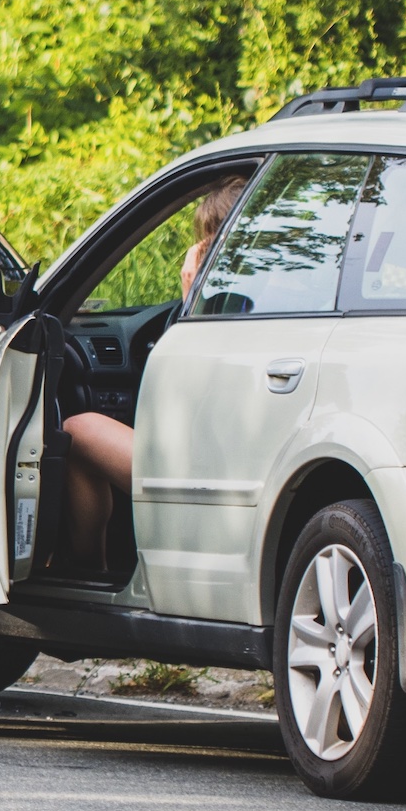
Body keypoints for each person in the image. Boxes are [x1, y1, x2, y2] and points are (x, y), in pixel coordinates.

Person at [61, 176, 249, 570]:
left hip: (205, 466)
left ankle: (88, 572)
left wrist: (191, 297)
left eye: (209, 240)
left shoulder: (220, 310)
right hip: (234, 461)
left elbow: (185, 390)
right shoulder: (276, 298)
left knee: (78, 430)